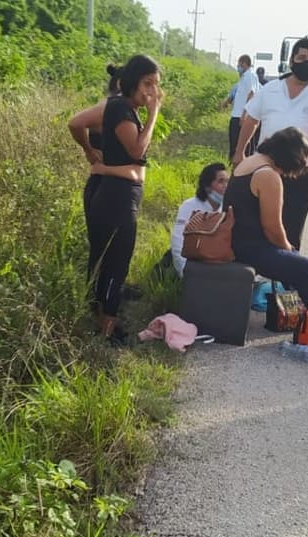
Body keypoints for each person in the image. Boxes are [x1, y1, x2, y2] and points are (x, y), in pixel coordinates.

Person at [234, 38, 308, 250]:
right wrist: (240, 153)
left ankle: (287, 272)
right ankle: (260, 272)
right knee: (261, 221)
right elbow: (250, 120)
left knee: (292, 223)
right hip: (266, 170)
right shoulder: (271, 89)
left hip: (302, 172)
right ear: (291, 60)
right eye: (302, 57)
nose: (307, 62)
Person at [87, 55, 164, 341]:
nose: (152, 91)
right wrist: (154, 114)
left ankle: (101, 320)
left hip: (113, 194)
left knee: (106, 259)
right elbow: (137, 151)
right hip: (116, 198)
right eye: (147, 83)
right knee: (115, 262)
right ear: (132, 81)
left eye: (156, 85)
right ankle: (106, 330)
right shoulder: (120, 108)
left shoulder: (123, 108)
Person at [228, 127, 308, 305]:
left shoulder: (249, 163)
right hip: (250, 248)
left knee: (296, 265)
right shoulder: (268, 175)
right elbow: (272, 229)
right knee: (304, 267)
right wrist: (288, 248)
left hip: (237, 240)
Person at [68, 65, 123, 255]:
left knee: (105, 249)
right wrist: (88, 150)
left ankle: (100, 284)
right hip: (105, 185)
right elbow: (75, 123)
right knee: (107, 250)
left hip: (108, 184)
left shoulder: (116, 106)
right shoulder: (109, 107)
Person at [170, 162, 230, 275]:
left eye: (228, 181)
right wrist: (184, 271)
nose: (226, 185)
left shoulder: (227, 209)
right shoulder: (189, 206)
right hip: (192, 264)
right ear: (207, 187)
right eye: (221, 181)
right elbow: (178, 241)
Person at [222, 54, 261, 160]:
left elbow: (251, 94)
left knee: (241, 148)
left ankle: (241, 171)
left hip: (241, 117)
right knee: (235, 146)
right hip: (237, 115)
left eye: (239, 64)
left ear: (244, 63)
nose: (238, 67)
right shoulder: (244, 77)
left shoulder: (250, 75)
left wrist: (244, 114)